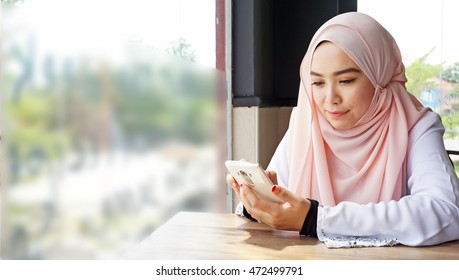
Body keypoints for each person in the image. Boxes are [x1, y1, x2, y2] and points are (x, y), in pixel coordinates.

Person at [226, 12, 459, 248]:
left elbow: (446, 211)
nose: (330, 99)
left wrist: (316, 219)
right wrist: (259, 203)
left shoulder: (415, 125)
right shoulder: (307, 124)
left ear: (379, 76)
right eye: (317, 83)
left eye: (346, 81)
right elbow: (285, 207)